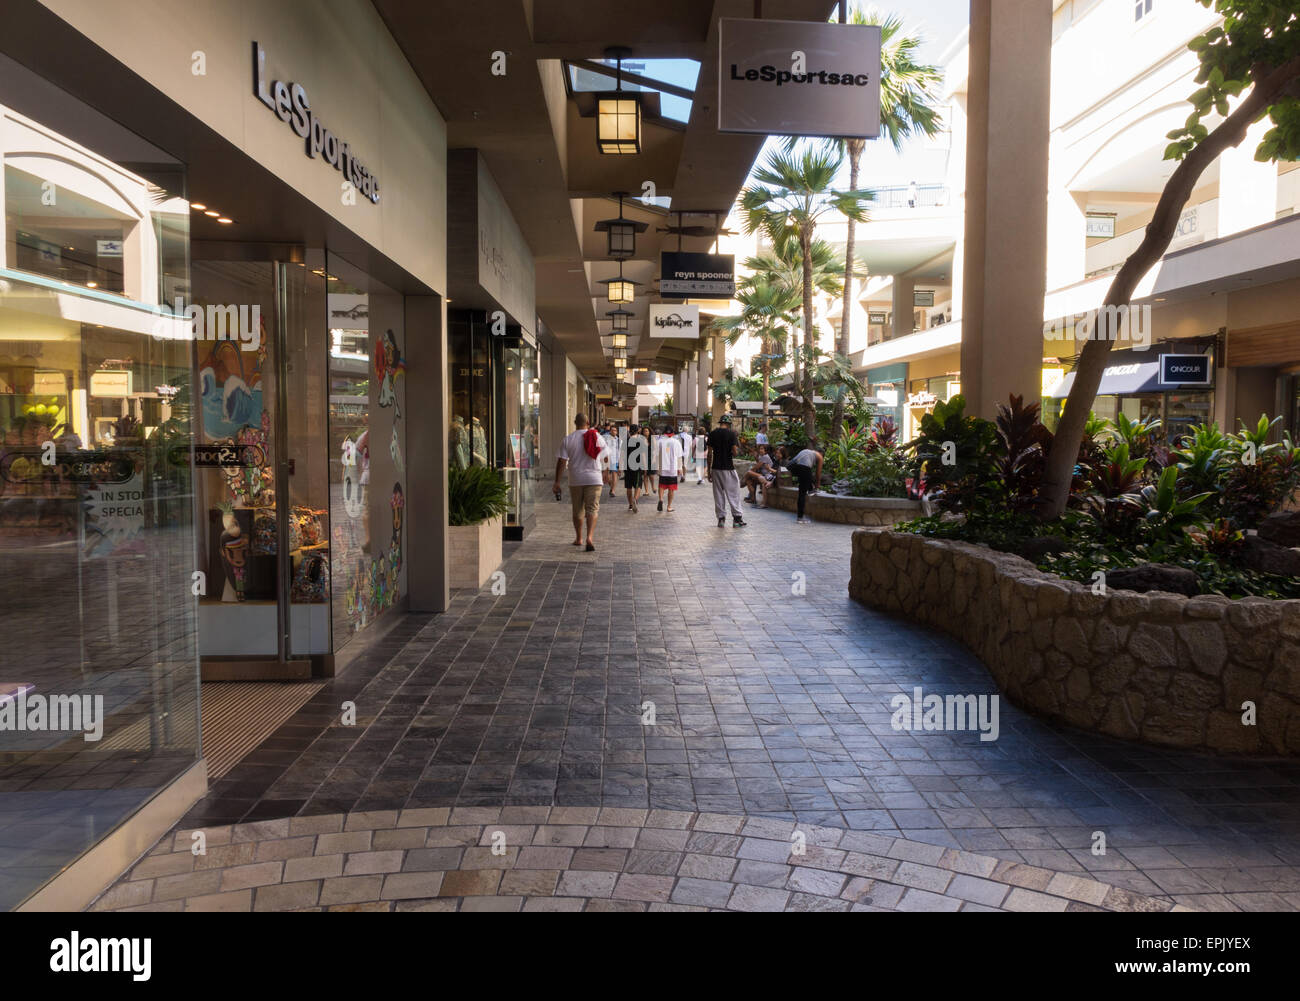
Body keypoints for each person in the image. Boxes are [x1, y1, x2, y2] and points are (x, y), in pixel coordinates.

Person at [553, 413, 609, 551]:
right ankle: (590, 537)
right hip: (594, 478)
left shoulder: (568, 439)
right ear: (588, 422)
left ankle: (579, 538)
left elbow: (561, 461)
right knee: (592, 508)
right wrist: (605, 472)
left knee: (578, 509)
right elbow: (606, 457)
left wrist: (557, 482)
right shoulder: (596, 436)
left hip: (576, 479)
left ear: (574, 422)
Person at [706, 415, 746, 528]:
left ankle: (721, 519)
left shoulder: (713, 434)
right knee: (733, 492)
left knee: (718, 494)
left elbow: (709, 454)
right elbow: (735, 452)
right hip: (728, 468)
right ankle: (737, 519)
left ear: (720, 423)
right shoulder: (731, 434)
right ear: (728, 424)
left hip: (716, 468)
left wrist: (709, 471)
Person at [785, 445, 824, 524]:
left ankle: (810, 490)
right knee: (802, 493)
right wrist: (817, 486)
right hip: (803, 467)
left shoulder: (808, 451)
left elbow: (792, 464)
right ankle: (800, 517)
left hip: (791, 466)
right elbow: (818, 474)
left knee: (806, 478)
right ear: (822, 454)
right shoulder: (820, 457)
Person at [655, 425, 684, 513]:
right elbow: (679, 457)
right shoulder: (676, 442)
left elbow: (656, 455)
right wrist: (680, 468)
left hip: (663, 468)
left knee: (661, 485)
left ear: (664, 433)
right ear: (673, 433)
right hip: (672, 468)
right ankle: (669, 506)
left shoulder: (659, 441)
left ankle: (660, 499)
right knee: (671, 488)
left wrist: (657, 467)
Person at [624, 423, 646, 512]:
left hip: (627, 466)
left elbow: (622, 455)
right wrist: (645, 467)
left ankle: (630, 504)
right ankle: (635, 500)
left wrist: (620, 467)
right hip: (637, 466)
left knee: (628, 487)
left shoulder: (626, 441)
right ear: (638, 431)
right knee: (638, 485)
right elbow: (643, 455)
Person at [602, 423, 619, 497]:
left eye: (615, 430)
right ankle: (611, 487)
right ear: (610, 431)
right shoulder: (605, 437)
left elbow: (620, 450)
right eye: (612, 430)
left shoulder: (618, 440)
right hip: (606, 459)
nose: (613, 432)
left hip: (615, 459)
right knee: (608, 477)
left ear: (617, 432)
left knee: (614, 474)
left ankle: (613, 490)